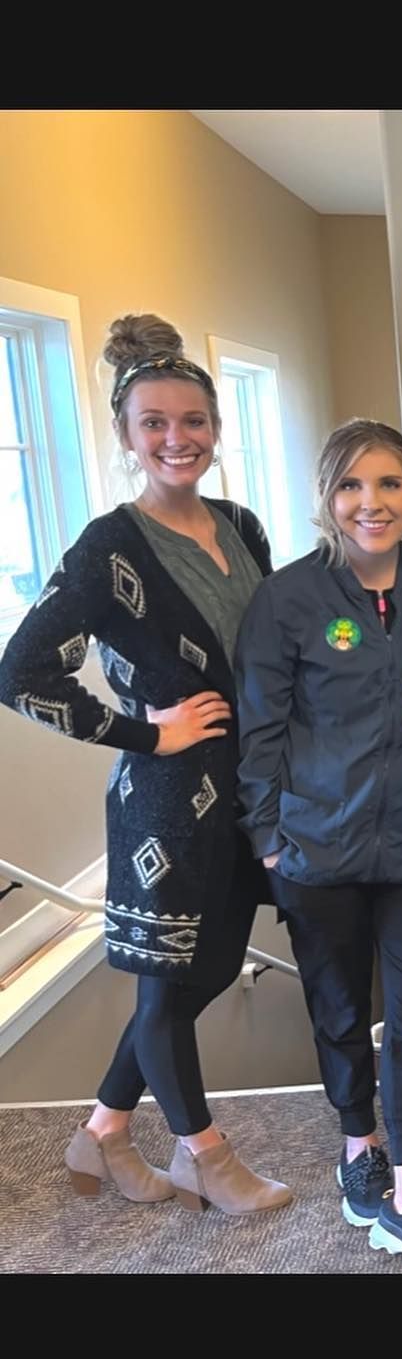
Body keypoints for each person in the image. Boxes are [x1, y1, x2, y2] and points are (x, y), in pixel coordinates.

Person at [0, 314, 289, 1215]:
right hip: (167, 802)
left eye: (194, 420)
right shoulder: (106, 545)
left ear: (214, 427)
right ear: (127, 435)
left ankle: (102, 1134)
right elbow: (20, 673)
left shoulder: (240, 524)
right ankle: (203, 1153)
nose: (178, 439)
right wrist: (143, 731)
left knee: (203, 974)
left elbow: (272, 642)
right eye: (155, 423)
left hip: (246, 787)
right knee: (169, 980)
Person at [235, 419, 402, 1271]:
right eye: (351, 487)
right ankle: (356, 1147)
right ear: (326, 500)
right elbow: (257, 729)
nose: (370, 504)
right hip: (314, 847)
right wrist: (267, 839)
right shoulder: (286, 599)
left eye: (388, 485)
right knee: (338, 1012)